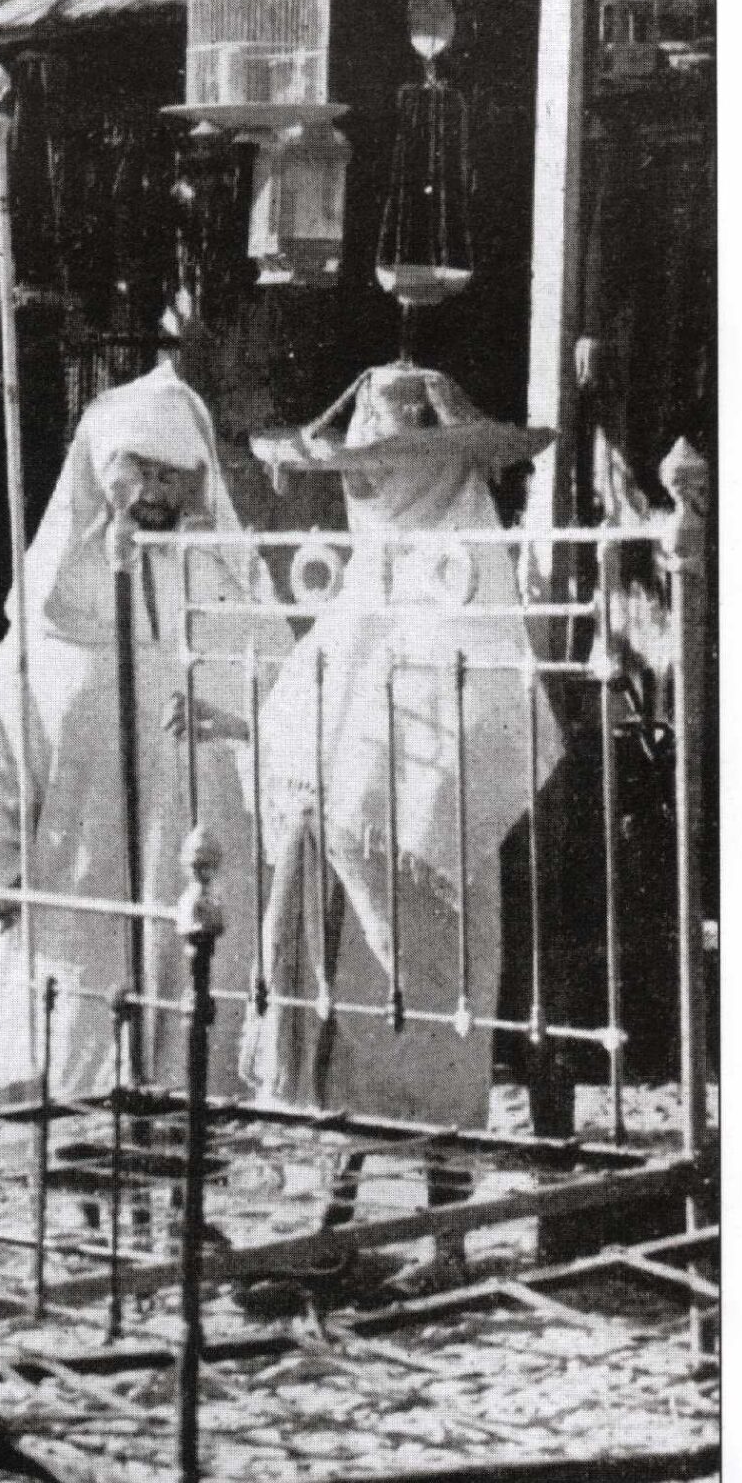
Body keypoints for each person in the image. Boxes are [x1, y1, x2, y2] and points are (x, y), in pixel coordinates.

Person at [232, 364, 566, 1138]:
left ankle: (439, 1176)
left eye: (392, 466)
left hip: (428, 862)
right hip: (335, 861)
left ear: (440, 472)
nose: (370, 485)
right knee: (337, 1021)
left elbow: (492, 716)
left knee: (433, 1021)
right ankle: (339, 1181)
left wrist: (407, 789)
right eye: (363, 468)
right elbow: (300, 714)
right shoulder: (359, 591)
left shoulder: (465, 586)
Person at [0, 361, 279, 1099]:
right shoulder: (46, 630)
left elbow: (281, 726)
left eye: (172, 474)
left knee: (200, 1082)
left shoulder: (232, 599)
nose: (155, 492)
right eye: (138, 470)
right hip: (76, 907)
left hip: (204, 898)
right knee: (75, 1088)